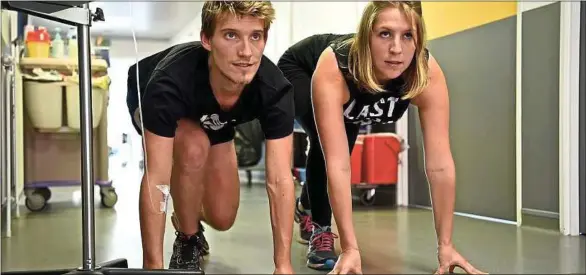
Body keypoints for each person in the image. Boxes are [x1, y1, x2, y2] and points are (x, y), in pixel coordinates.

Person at [277, 2, 487, 274]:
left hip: (348, 91)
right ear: (367, 37)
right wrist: (351, 248)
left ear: (419, 38)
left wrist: (445, 245)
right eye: (385, 33)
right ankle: (320, 228)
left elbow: (440, 164)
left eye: (408, 35)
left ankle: (305, 204)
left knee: (346, 131)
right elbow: (338, 164)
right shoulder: (336, 67)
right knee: (325, 139)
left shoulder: (426, 74)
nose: (397, 49)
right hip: (301, 69)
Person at [126, 1, 296, 272]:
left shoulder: (274, 89)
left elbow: (280, 179)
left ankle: (185, 215)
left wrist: (284, 265)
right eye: (231, 35)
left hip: (212, 115)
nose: (246, 52)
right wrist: (153, 267)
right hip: (152, 94)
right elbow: (156, 178)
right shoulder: (167, 83)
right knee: (194, 147)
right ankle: (188, 237)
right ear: (207, 39)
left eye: (255, 36)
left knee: (222, 216)